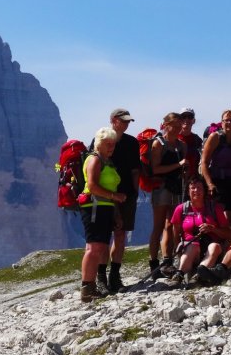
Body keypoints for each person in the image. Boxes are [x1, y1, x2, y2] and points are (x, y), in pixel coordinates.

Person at [93, 108, 140, 294]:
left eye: (128, 121)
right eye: (124, 120)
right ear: (113, 120)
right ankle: (101, 278)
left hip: (126, 194)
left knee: (120, 235)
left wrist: (135, 191)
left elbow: (136, 169)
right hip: (105, 194)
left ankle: (115, 276)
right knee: (104, 237)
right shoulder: (101, 138)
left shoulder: (132, 142)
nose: (127, 124)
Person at [79, 127, 126, 303]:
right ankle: (87, 287)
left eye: (113, 145)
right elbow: (92, 185)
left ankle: (90, 286)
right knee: (94, 248)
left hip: (105, 207)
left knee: (99, 247)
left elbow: (110, 189)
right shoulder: (95, 159)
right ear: (99, 143)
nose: (111, 148)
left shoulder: (107, 161)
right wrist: (115, 197)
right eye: (108, 144)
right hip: (94, 206)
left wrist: (116, 214)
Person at [168, 176, 231, 288]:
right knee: (192, 246)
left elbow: (229, 234)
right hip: (190, 249)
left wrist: (212, 229)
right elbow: (176, 232)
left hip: (213, 249)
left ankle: (198, 275)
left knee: (214, 246)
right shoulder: (181, 209)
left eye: (199, 188)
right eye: (193, 188)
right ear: (188, 191)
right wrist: (177, 247)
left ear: (205, 191)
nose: (196, 191)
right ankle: (179, 274)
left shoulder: (215, 208)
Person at [148, 112, 188, 277]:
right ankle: (153, 263)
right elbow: (155, 169)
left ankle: (167, 261)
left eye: (180, 125)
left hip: (177, 187)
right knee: (158, 226)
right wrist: (177, 165)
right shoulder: (158, 144)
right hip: (161, 188)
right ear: (166, 125)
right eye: (175, 125)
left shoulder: (181, 145)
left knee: (171, 225)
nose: (178, 128)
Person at [178, 107, 203, 185]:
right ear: (179, 120)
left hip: (193, 180)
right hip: (176, 180)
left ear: (194, 121)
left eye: (190, 117)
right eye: (183, 117)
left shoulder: (197, 140)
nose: (186, 119)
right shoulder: (173, 138)